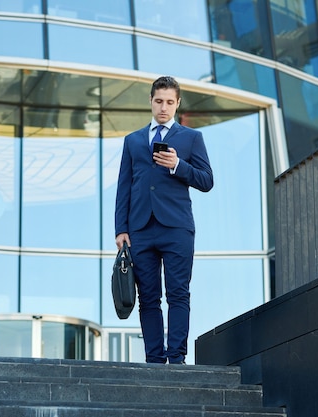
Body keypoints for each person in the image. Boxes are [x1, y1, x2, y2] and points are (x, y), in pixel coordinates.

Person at [114, 76, 213, 364]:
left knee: (178, 293)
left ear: (178, 103)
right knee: (148, 297)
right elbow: (124, 187)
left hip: (177, 228)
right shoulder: (132, 141)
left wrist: (179, 166)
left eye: (170, 102)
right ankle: (154, 360)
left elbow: (207, 181)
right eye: (159, 101)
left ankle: (177, 358)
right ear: (151, 101)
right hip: (141, 229)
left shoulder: (191, 138)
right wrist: (121, 228)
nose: (164, 108)